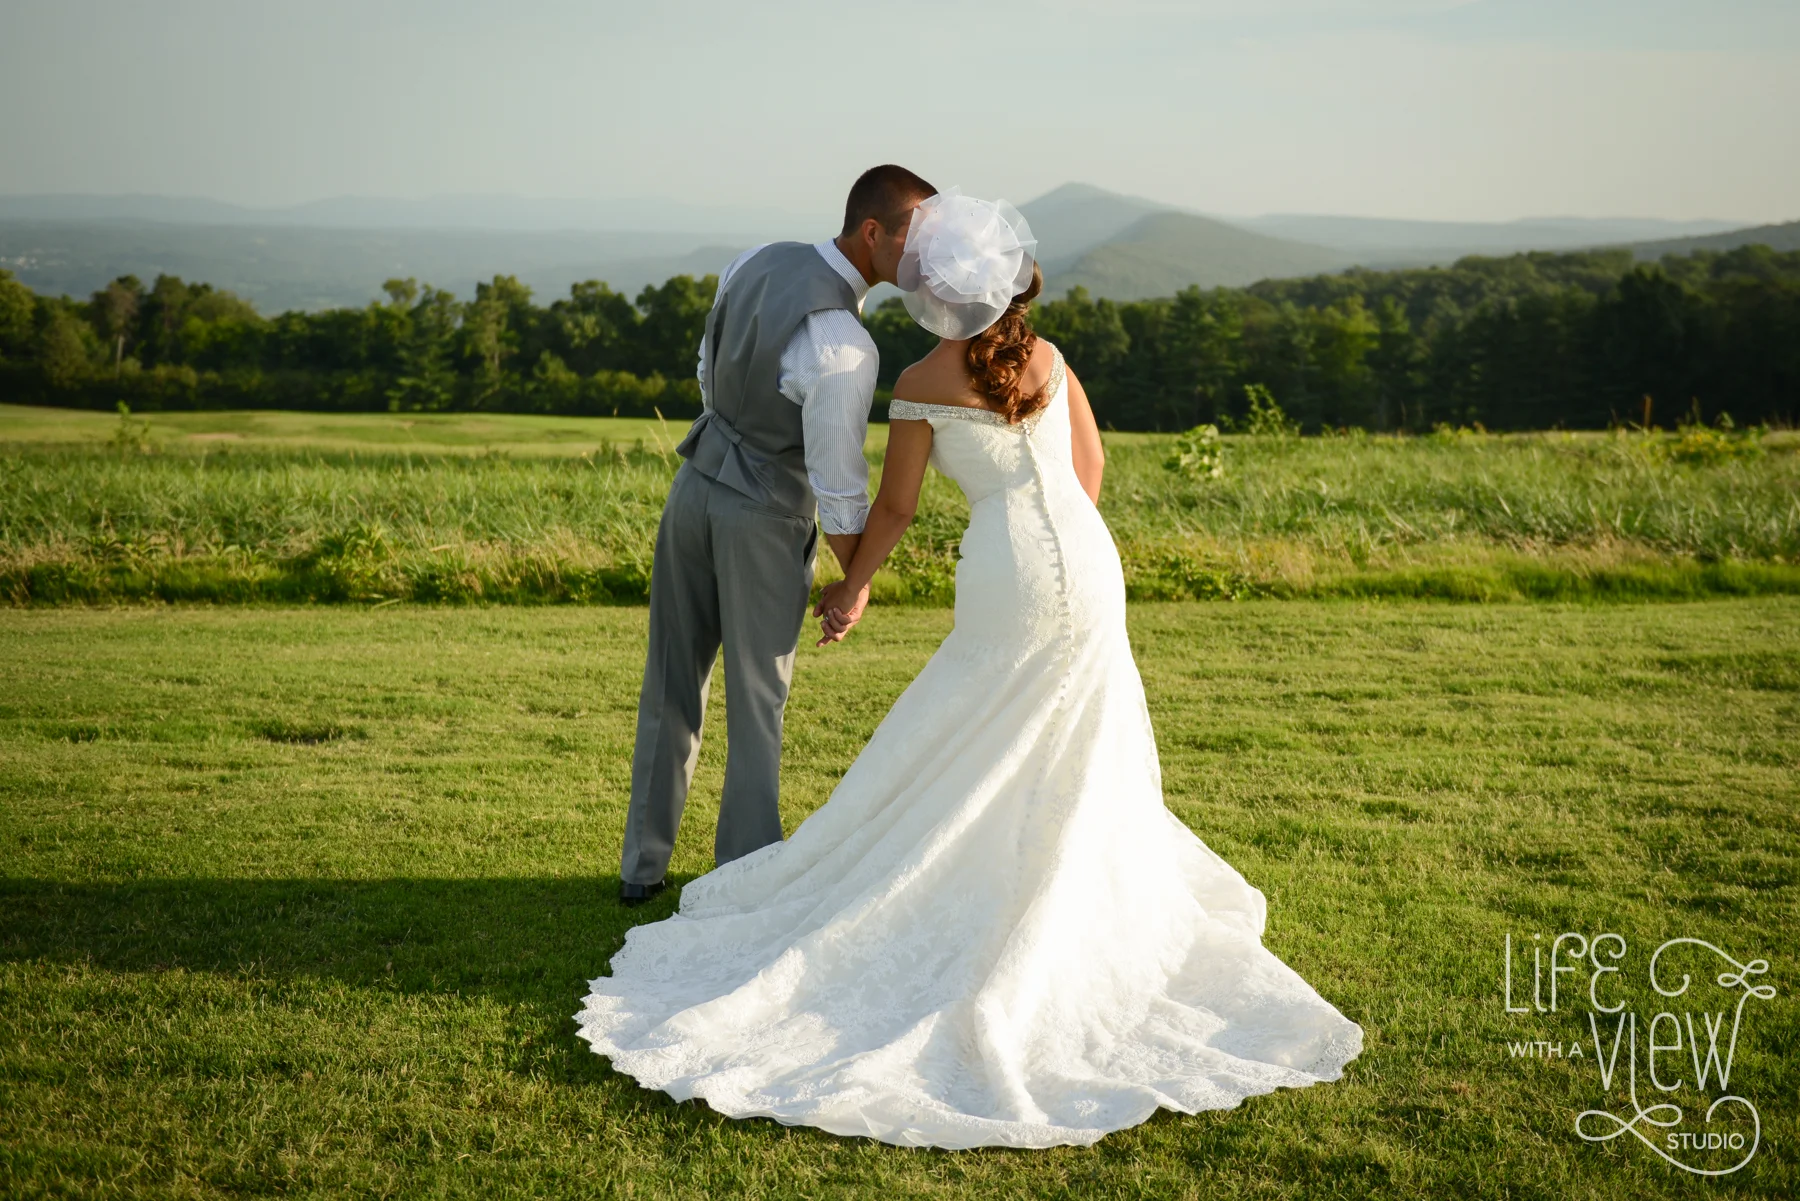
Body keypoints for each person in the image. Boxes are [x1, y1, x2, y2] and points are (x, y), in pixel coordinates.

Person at [579, 189, 1363, 1148]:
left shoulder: (914, 375)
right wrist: (1067, 535)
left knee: (967, 721)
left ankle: (677, 866)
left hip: (998, 569)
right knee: (1073, 736)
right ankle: (1044, 885)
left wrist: (853, 585)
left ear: (934, 293)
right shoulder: (1050, 357)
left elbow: (896, 509)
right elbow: (1089, 466)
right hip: (1087, 557)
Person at [616, 165, 934, 905]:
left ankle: (641, 868)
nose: (924, 258)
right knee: (757, 701)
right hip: (761, 516)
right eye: (915, 239)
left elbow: (706, 369)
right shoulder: (846, 345)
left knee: (669, 681)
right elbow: (838, 482)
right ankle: (744, 878)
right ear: (872, 234)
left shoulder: (753, 258)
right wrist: (854, 584)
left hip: (692, 487)